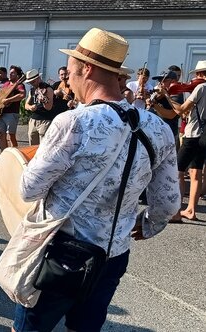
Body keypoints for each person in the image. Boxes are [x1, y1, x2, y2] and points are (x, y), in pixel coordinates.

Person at [13, 27, 179, 331]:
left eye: (71, 72)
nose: (68, 80)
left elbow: (29, 189)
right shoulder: (158, 128)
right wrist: (150, 223)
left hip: (63, 252)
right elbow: (168, 201)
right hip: (113, 255)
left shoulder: (73, 122)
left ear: (86, 69)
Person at [169, 60, 206, 222]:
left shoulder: (200, 87)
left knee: (178, 171)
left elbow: (182, 109)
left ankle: (177, 211)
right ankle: (191, 210)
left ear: (201, 74)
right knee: (196, 172)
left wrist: (167, 98)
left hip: (192, 134)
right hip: (204, 135)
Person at [0, 65, 26, 150]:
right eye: (10, 73)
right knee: (1, 134)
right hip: (1, 112)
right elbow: (1, 95)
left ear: (18, 75)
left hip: (12, 113)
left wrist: (8, 100)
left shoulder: (19, 85)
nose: (10, 74)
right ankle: (3, 157)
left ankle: (14, 156)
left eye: (13, 73)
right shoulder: (6, 84)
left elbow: (22, 95)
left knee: (11, 135)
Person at [24, 69, 54, 145]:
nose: (32, 84)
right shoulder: (32, 90)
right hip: (33, 120)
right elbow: (26, 105)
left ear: (38, 78)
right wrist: (30, 107)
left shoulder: (48, 89)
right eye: (30, 82)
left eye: (33, 82)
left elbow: (49, 107)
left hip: (45, 120)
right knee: (32, 144)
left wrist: (44, 100)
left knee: (44, 145)